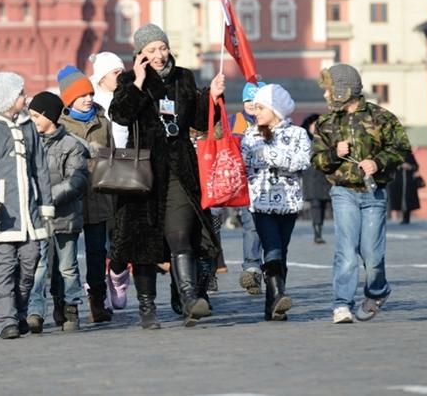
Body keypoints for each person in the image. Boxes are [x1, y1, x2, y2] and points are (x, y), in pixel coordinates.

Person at [109, 23, 224, 329]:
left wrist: (210, 97)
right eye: (151, 50)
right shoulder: (131, 79)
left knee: (180, 235)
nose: (159, 55)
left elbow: (198, 121)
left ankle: (189, 299)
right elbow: (119, 115)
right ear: (140, 54)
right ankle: (147, 307)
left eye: (162, 48)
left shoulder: (184, 77)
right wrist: (138, 83)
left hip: (179, 169)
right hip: (143, 172)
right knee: (144, 243)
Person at [312, 64, 411, 324]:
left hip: (374, 194)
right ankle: (341, 304)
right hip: (343, 192)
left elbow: (402, 148)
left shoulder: (382, 118)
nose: (326, 95)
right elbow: (316, 161)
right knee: (346, 249)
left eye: (329, 90)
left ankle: (378, 291)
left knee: (372, 255)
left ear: (344, 90)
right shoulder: (326, 123)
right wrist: (334, 153)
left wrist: (378, 162)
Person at [0, 72, 55, 340]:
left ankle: (18, 310)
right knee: (4, 267)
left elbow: (39, 167)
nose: (24, 98)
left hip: (29, 216)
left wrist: (45, 205)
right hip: (1, 217)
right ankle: (5, 319)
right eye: (19, 95)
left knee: (30, 263)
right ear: (6, 99)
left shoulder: (29, 127)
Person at [240, 84, 310, 322]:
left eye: (260, 108)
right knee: (272, 248)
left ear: (275, 109)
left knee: (282, 252)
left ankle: (273, 307)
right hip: (260, 203)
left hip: (289, 204)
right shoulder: (251, 135)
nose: (255, 112)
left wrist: (270, 155)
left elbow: (301, 162)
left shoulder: (299, 134)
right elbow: (246, 162)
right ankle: (280, 294)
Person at [26, 91, 89, 333]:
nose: (32, 120)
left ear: (49, 116)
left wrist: (45, 197)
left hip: (65, 216)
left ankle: (71, 308)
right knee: (38, 266)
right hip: (38, 218)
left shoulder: (71, 145)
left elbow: (77, 180)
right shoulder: (29, 143)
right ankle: (35, 312)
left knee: (68, 267)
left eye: (35, 116)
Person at [58, 65, 114, 323]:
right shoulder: (59, 125)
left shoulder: (103, 122)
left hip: (100, 196)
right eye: (81, 95)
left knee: (97, 253)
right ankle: (64, 304)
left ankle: (97, 302)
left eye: (90, 93)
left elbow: (112, 155)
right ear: (69, 99)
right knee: (65, 255)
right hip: (70, 199)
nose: (88, 98)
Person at [89, 52, 131, 310]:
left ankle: (118, 275)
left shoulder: (129, 98)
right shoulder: (92, 104)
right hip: (102, 168)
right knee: (101, 234)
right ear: (102, 77)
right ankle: (98, 287)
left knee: (122, 231)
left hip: (129, 168)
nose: (121, 76)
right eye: (116, 72)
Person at [231, 82, 265, 296]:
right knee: (251, 226)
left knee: (270, 232)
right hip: (245, 184)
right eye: (247, 100)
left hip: (271, 185)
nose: (251, 104)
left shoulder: (273, 121)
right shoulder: (235, 121)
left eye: (256, 100)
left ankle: (271, 271)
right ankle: (251, 269)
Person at [300, 114, 331, 244]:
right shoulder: (304, 138)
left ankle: (320, 228)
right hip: (311, 175)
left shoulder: (327, 139)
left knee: (323, 204)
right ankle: (317, 232)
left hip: (324, 175)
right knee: (316, 204)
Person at [388, 152, 422, 225]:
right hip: (397, 182)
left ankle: (406, 218)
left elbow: (416, 166)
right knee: (397, 199)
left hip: (408, 183)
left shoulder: (410, 155)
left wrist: (410, 167)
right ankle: (395, 216)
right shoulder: (394, 154)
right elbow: (390, 166)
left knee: (408, 201)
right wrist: (400, 166)